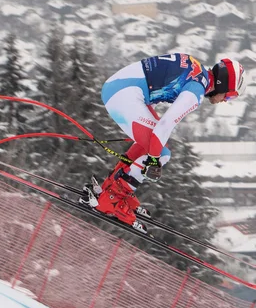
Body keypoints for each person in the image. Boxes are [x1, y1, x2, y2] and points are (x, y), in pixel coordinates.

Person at [80, 53, 247, 232]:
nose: (225, 101)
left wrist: (152, 154)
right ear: (223, 85)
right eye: (229, 97)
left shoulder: (198, 72)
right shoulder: (196, 89)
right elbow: (166, 124)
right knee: (161, 154)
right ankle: (110, 200)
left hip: (123, 89)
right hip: (123, 95)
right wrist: (153, 159)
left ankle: (111, 189)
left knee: (152, 146)